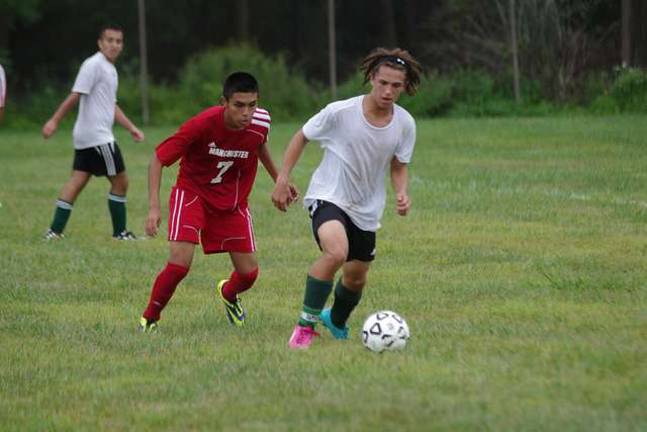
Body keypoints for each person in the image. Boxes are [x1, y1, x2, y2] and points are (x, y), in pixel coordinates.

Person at [271, 47, 422, 349]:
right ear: (371, 78)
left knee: (355, 279)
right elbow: (302, 136)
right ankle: (305, 327)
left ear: (404, 86)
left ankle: (336, 319)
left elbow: (399, 165)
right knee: (336, 253)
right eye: (383, 83)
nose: (388, 91)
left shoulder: (405, 124)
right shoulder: (340, 112)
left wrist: (402, 192)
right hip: (328, 196)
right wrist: (282, 178)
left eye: (396, 85)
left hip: (366, 208)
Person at [138, 71, 296, 332]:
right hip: (193, 194)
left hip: (232, 202)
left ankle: (229, 294)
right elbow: (158, 159)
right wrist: (154, 208)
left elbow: (259, 145)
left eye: (252, 105)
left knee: (249, 274)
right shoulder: (201, 124)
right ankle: (150, 318)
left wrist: (280, 179)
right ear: (224, 102)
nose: (246, 112)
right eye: (239, 105)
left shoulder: (260, 122)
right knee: (179, 263)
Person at [42, 24, 144, 240]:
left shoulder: (110, 68)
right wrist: (54, 121)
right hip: (98, 137)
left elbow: (111, 105)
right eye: (110, 40)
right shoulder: (93, 65)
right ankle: (120, 233)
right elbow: (75, 94)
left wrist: (131, 127)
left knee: (76, 181)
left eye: (118, 41)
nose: (114, 45)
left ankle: (54, 231)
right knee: (121, 182)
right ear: (100, 43)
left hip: (86, 136)